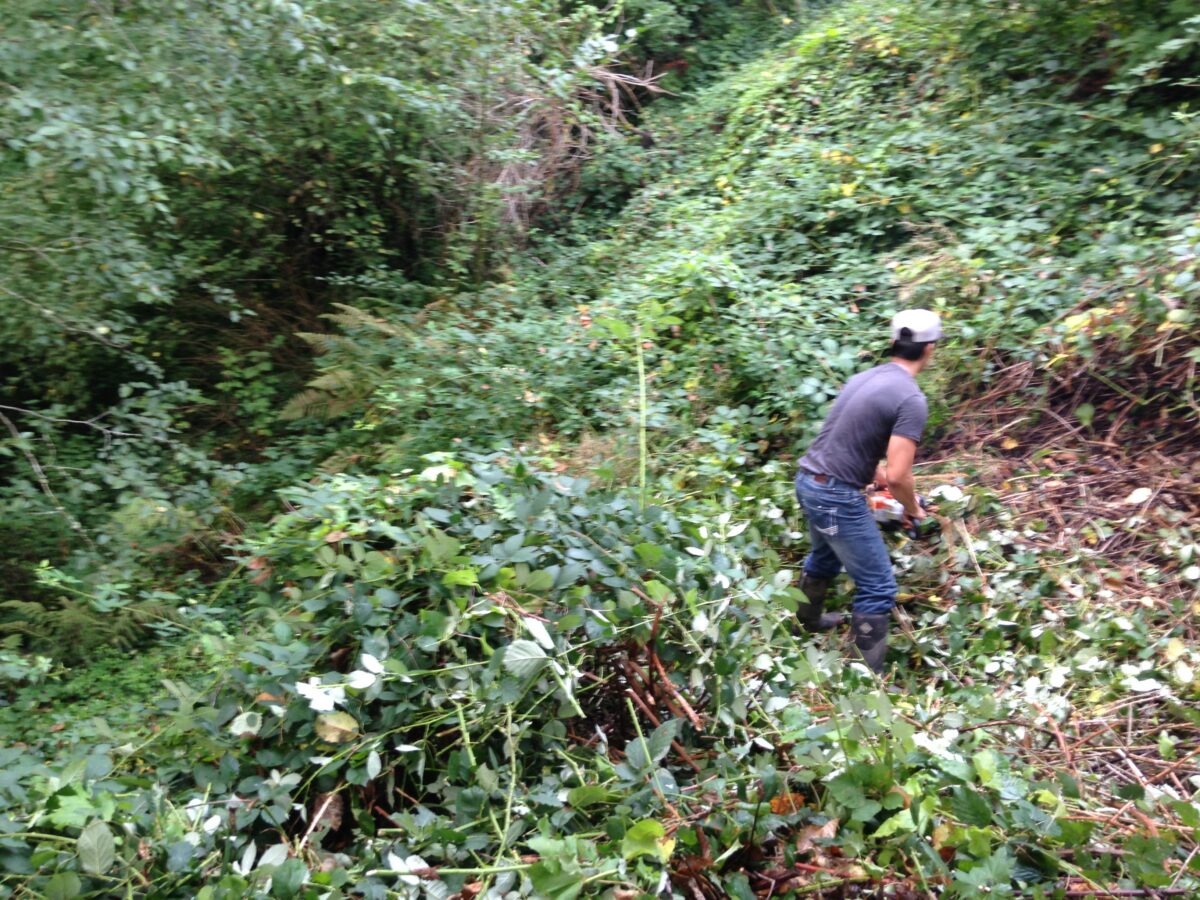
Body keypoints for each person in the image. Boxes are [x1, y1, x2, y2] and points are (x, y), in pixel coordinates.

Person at [792, 309, 941, 673]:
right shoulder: (910, 399)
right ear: (930, 349)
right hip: (834, 496)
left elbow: (849, 437)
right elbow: (900, 475)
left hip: (809, 481)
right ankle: (865, 683)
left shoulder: (865, 377)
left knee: (825, 556)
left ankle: (806, 624)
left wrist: (872, 474)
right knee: (878, 587)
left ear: (893, 342)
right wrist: (914, 509)